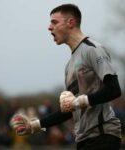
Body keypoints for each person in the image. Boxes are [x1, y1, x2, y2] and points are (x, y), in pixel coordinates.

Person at [10, 4, 122, 150]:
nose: (49, 27)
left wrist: (79, 102)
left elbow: (114, 89)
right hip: (84, 139)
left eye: (54, 22)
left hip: (103, 135)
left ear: (71, 22)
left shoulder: (93, 49)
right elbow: (69, 111)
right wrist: (34, 125)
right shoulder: (69, 66)